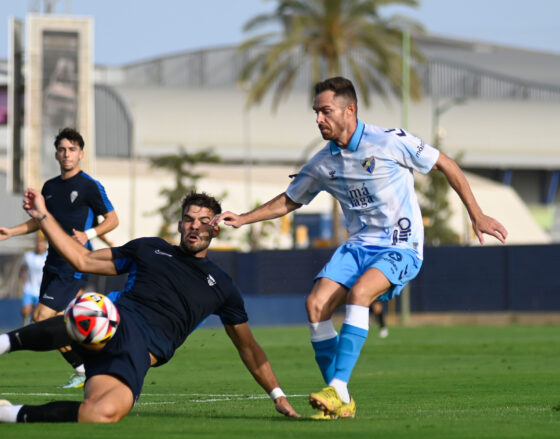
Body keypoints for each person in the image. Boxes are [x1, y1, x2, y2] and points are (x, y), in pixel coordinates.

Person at [213, 76, 507, 420]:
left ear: (349, 110)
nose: (318, 119)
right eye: (316, 112)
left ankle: (337, 388)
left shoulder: (388, 141)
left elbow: (446, 164)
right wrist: (243, 219)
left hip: (401, 244)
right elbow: (290, 200)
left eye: (325, 111)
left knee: (360, 294)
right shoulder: (323, 162)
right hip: (358, 246)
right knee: (315, 305)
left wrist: (477, 214)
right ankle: (340, 397)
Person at [0, 191, 299, 424]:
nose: (195, 226)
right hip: (118, 321)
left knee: (99, 414)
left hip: (139, 355)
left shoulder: (222, 286)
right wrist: (43, 217)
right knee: (90, 312)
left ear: (216, 228)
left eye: (204, 221)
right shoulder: (150, 248)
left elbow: (249, 349)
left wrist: (278, 395)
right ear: (179, 224)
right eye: (189, 219)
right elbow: (82, 258)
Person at [0, 127, 119, 388]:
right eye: (62, 150)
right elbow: (40, 222)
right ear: (56, 155)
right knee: (62, 321)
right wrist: (9, 233)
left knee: (41, 318)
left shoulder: (89, 186)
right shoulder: (49, 187)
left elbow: (113, 220)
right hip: (52, 263)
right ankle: (94, 361)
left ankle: (83, 367)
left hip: (75, 263)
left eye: (72, 149)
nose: (67, 154)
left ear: (81, 154)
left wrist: (88, 233)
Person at [19, 231, 48, 326]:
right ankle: (24, 325)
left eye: (42, 243)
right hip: (29, 288)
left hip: (41, 290)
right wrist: (22, 278)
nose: (40, 245)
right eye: (38, 243)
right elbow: (23, 268)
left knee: (37, 315)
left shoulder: (47, 257)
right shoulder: (28, 256)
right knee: (25, 311)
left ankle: (33, 329)